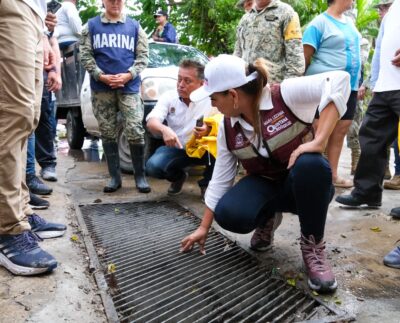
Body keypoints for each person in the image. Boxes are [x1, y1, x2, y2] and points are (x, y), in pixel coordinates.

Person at [181, 54, 351, 293]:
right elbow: (221, 178)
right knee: (229, 213)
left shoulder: (285, 95)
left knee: (312, 165)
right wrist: (204, 227)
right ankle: (267, 218)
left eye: (214, 98)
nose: (213, 105)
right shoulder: (227, 128)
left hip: (303, 186)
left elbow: (340, 79)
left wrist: (319, 141)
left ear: (233, 95)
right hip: (267, 186)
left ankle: (313, 246)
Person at [0, 1, 66, 276]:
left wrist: (46, 36)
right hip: (14, 7)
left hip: (34, 17)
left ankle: (21, 211)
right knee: (12, 118)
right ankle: (7, 227)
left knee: (28, 119)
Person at [80, 0, 151, 194]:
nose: (115, 3)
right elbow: (85, 56)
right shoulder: (91, 26)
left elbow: (143, 57)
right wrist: (100, 75)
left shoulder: (135, 26)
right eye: (111, 0)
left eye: (119, 0)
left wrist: (128, 75)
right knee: (107, 131)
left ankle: (140, 176)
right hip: (101, 88)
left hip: (129, 86)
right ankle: (115, 177)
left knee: (135, 129)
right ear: (103, 1)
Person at [336, 0, 400, 209]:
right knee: (371, 137)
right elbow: (381, 46)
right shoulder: (392, 11)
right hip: (385, 86)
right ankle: (367, 192)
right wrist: (375, 82)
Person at [303, 0, 361, 189]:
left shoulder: (349, 22)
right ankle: (311, 177)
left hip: (349, 86)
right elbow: (305, 58)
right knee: (320, 131)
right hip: (326, 85)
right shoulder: (318, 23)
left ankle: (333, 175)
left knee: (341, 130)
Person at [146, 60, 216, 198]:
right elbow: (151, 121)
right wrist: (164, 130)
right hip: (178, 148)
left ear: (201, 84)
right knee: (152, 167)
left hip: (205, 150)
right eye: (179, 79)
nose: (181, 85)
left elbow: (225, 122)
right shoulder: (169, 97)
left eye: (187, 81)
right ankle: (178, 177)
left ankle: (207, 185)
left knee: (219, 143)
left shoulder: (212, 99)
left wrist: (209, 129)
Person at [234, 0, 305, 84]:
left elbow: (295, 58)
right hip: (246, 85)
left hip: (272, 86)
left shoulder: (287, 13)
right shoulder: (246, 18)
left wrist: (287, 88)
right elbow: (238, 52)